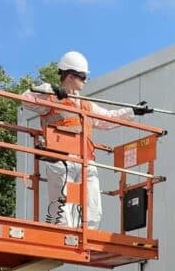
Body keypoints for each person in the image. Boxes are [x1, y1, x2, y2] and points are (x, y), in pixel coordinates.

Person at [21, 51, 151, 229]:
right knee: (64, 211)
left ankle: (87, 242)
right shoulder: (49, 100)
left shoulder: (86, 105)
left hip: (86, 162)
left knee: (93, 210)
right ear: (70, 76)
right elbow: (25, 99)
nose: (85, 81)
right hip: (61, 161)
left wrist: (133, 111)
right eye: (82, 77)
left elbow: (108, 118)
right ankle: (63, 241)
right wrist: (49, 89)